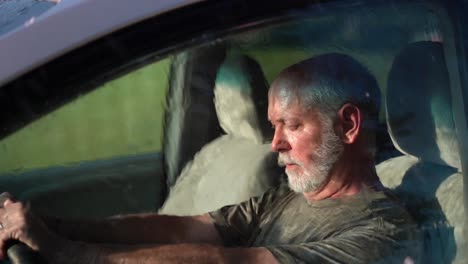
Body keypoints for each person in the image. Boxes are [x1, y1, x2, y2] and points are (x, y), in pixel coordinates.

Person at [0, 53, 419, 263]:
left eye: (290, 125)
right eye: (272, 126)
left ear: (347, 126)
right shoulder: (290, 199)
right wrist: (49, 225)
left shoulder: (381, 231)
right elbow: (186, 227)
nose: (274, 144)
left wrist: (66, 252)